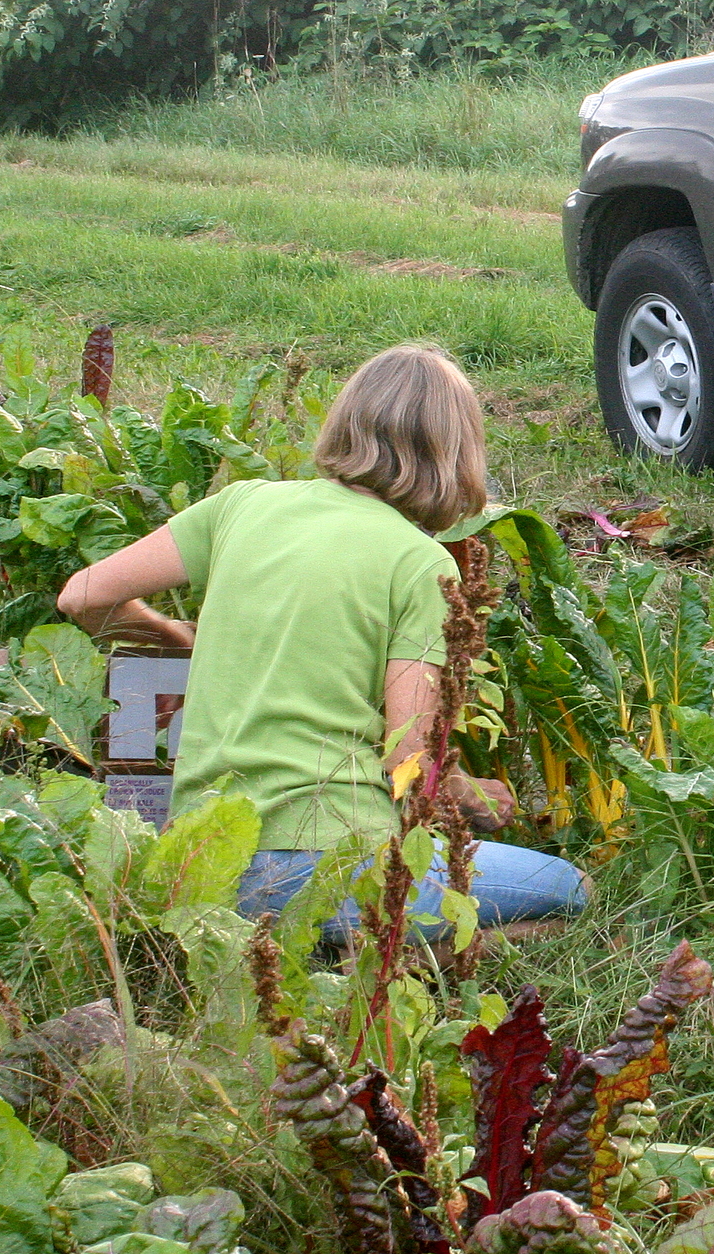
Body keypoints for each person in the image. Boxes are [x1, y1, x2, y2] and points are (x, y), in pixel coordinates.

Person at [56, 342, 585, 941]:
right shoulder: (420, 563)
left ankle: (306, 952)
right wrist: (472, 799)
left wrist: (172, 638)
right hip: (332, 864)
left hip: (202, 865)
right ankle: (374, 961)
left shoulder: (242, 504)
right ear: (455, 455)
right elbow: (410, 764)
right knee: (569, 892)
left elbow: (83, 596)